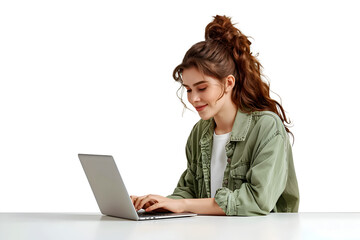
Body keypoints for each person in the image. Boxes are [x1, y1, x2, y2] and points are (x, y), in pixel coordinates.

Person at [130, 15, 299, 216]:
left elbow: (256, 201)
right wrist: (159, 202)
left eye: (201, 88)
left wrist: (183, 205)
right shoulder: (200, 132)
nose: (193, 98)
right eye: (189, 89)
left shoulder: (266, 127)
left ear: (229, 83)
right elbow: (190, 191)